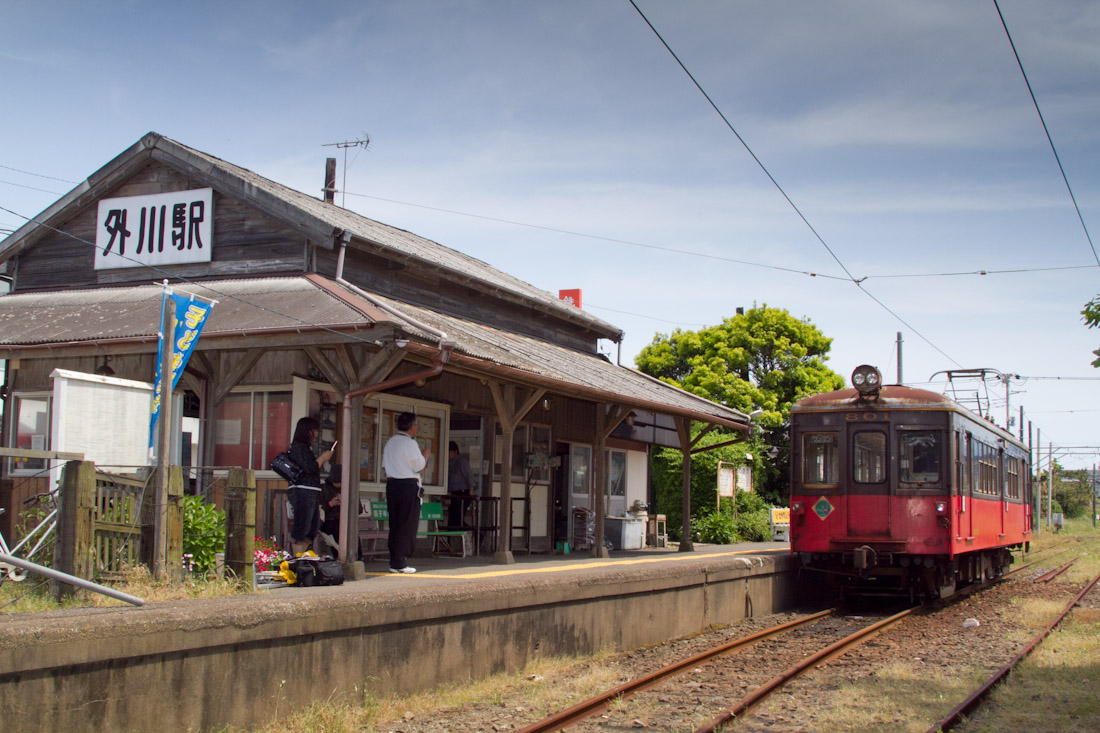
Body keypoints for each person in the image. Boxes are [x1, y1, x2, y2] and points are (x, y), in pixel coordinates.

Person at [382, 412, 430, 573]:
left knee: (395, 523)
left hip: (392, 485)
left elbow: (384, 466)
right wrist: (426, 456)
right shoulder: (410, 444)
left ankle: (394, 559)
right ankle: (400, 561)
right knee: (407, 524)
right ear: (413, 426)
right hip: (408, 485)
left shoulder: (390, 442)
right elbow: (419, 467)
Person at [287, 417, 334, 557]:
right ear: (307, 431)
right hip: (302, 491)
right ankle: (297, 560)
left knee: (312, 528)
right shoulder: (298, 447)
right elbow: (310, 467)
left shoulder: (305, 449)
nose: (316, 434)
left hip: (311, 492)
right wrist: (323, 458)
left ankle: (302, 557)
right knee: (302, 526)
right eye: (314, 430)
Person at [446, 441, 477, 528]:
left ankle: (476, 535)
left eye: (449, 452)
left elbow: (470, 478)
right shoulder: (450, 464)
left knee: (458, 521)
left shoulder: (462, 462)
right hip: (454, 496)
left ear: (455, 451)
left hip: (463, 495)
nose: (448, 455)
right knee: (452, 522)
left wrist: (469, 496)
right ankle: (451, 541)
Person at [318, 463, 342, 558]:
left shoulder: (348, 489)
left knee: (350, 530)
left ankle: (357, 555)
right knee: (333, 526)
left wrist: (345, 503)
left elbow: (358, 508)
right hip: (327, 519)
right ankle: (338, 554)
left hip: (342, 519)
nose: (338, 485)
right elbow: (318, 509)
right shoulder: (323, 488)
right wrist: (330, 504)